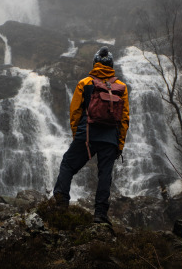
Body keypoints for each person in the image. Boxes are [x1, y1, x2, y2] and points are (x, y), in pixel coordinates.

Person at [53, 46, 130, 225]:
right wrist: (119, 144)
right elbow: (124, 119)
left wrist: (77, 136)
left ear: (94, 63)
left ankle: (61, 203)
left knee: (68, 164)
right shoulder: (121, 87)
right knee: (105, 175)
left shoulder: (85, 83)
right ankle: (100, 214)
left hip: (87, 135)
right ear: (111, 65)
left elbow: (75, 113)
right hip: (110, 139)